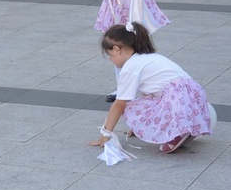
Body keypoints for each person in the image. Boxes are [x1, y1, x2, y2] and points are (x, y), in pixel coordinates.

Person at [89, 22, 212, 153]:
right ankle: (186, 129)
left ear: (117, 49)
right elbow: (148, 96)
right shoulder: (150, 57)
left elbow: (119, 104)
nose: (110, 60)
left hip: (177, 99)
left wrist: (105, 134)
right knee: (145, 102)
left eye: (110, 55)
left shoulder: (130, 68)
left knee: (129, 105)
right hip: (194, 95)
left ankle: (178, 133)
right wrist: (140, 125)